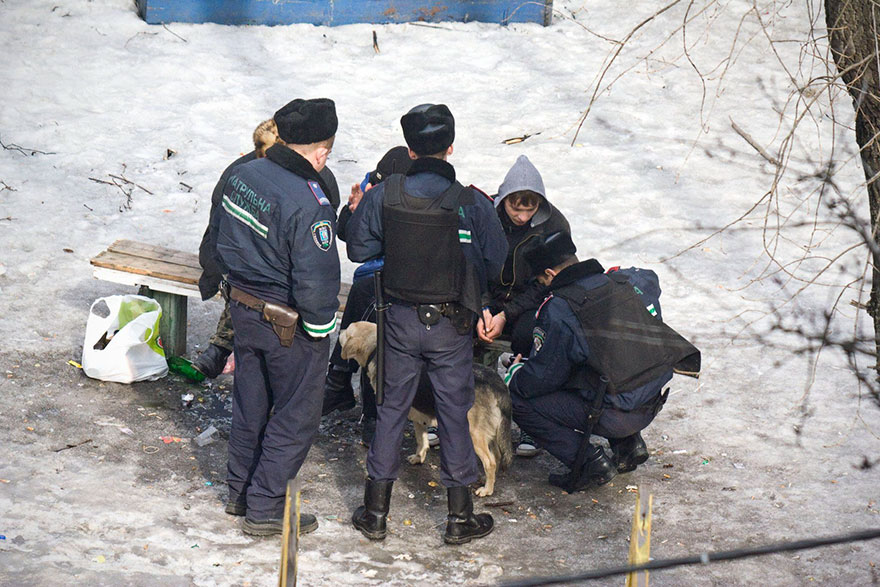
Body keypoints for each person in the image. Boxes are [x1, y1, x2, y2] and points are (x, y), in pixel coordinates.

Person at [346, 103, 508, 544]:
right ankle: (459, 518)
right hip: (452, 326)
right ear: (450, 147)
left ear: (411, 150)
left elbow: (359, 250)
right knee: (454, 413)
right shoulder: (471, 202)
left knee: (390, 409)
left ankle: (375, 513)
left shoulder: (385, 194)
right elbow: (497, 263)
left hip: (398, 320)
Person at [211, 98, 341, 535]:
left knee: (251, 404)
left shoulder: (243, 175)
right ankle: (266, 507)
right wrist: (319, 330)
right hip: (286, 322)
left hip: (242, 309)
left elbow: (220, 237)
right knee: (295, 414)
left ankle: (240, 492)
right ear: (320, 152)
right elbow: (317, 276)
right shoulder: (310, 201)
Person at [504, 231, 700, 493]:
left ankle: (589, 464)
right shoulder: (626, 281)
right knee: (608, 361)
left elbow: (542, 379)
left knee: (519, 400)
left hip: (618, 414)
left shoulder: (561, 308)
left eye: (541, 280)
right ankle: (628, 446)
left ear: (550, 274)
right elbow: (650, 278)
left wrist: (516, 373)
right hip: (652, 399)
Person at [194, 118, 340, 378]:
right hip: (242, 268)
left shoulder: (315, 179)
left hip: (262, 271)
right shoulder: (245, 171)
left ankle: (222, 348)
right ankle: (225, 347)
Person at [475, 155, 570, 458]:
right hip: (487, 295)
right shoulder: (485, 216)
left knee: (531, 334)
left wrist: (507, 314)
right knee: (462, 327)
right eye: (515, 208)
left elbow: (548, 281)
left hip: (530, 300)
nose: (521, 216)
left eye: (529, 209)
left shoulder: (553, 225)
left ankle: (530, 419)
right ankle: (460, 410)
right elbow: (470, 265)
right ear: (503, 200)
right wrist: (484, 308)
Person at [321, 147, 413, 450]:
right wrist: (354, 210)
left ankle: (344, 384)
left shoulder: (420, 196)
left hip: (411, 280)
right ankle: (344, 386)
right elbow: (347, 237)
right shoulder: (372, 184)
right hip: (377, 277)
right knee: (368, 297)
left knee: (371, 301)